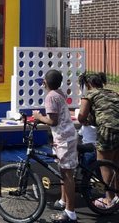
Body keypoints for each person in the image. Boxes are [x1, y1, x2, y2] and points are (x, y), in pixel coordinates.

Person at [76, 72, 119, 208]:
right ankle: (118, 195)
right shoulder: (113, 93)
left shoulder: (89, 95)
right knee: (116, 163)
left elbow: (81, 117)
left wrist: (85, 121)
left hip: (108, 129)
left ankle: (108, 200)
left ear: (89, 84)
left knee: (104, 164)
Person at [32, 70, 78, 223]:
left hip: (64, 139)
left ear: (45, 83)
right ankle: (64, 202)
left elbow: (53, 121)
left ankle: (70, 213)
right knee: (62, 173)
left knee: (67, 175)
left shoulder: (50, 96)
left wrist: (39, 117)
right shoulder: (59, 93)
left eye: (43, 81)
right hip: (64, 137)